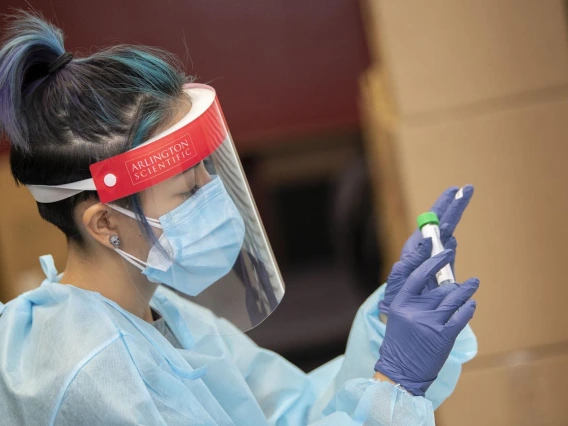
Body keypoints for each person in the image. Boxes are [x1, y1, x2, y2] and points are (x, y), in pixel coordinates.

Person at [0, 12, 479, 425]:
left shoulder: (164, 316)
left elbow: (291, 412)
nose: (214, 195)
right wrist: (393, 388)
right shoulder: (85, 374)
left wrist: (387, 332)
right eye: (188, 189)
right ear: (105, 224)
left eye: (209, 172)